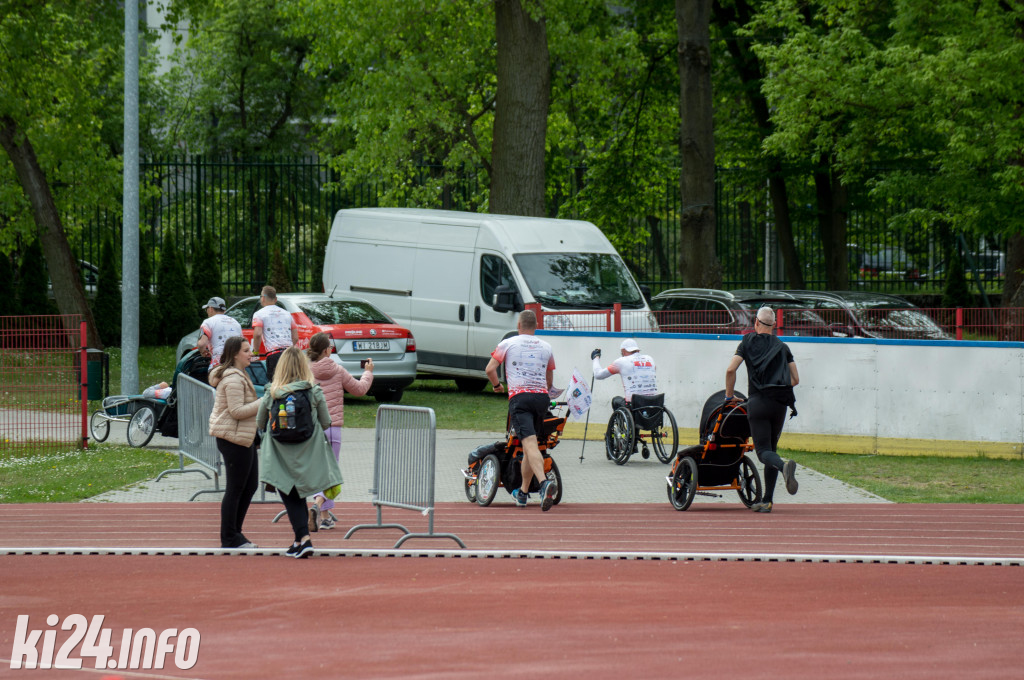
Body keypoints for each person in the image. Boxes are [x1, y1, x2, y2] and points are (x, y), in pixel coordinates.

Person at [256, 345, 341, 558]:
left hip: (280, 453)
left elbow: (260, 422)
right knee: (299, 493)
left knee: (290, 493)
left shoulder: (272, 392)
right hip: (307, 451)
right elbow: (325, 422)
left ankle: (303, 539)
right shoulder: (314, 391)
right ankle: (299, 539)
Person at [724, 306, 800, 513]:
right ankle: (767, 500)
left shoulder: (747, 342)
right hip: (779, 405)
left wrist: (729, 396)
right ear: (774, 325)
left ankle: (785, 467)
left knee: (763, 452)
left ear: (755, 322)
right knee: (771, 450)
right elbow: (795, 379)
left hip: (757, 403)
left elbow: (731, 369)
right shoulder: (782, 346)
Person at [484, 309, 558, 511]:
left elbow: (490, 369)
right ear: (535, 327)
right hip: (541, 397)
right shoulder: (546, 347)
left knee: (530, 444)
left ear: (518, 326)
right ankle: (523, 493)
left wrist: (497, 386)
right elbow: (549, 379)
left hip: (520, 397)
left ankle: (543, 484)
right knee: (528, 447)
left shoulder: (508, 343)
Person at [306, 332, 373, 532]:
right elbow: (360, 390)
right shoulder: (337, 370)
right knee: (331, 474)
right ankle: (318, 505)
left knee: (318, 472)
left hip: (312, 428)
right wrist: (368, 372)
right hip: (332, 428)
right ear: (327, 350)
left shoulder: (305, 371)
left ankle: (325, 517)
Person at [207, 336, 261, 549]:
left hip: (243, 437)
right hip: (232, 438)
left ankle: (235, 534)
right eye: (247, 351)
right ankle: (229, 537)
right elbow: (237, 412)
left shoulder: (240, 375)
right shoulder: (232, 379)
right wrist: (264, 402)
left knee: (250, 485)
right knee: (236, 488)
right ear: (236, 354)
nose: (251, 354)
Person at [251, 286, 298, 381]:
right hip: (289, 354)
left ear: (263, 298)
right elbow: (295, 337)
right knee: (291, 383)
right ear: (275, 299)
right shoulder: (287, 313)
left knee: (275, 384)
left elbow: (257, 334)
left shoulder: (259, 314)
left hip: (274, 354)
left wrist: (255, 352)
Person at [197, 297, 242, 369]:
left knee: (214, 378)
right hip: (236, 361)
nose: (206, 311)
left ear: (211, 309)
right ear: (224, 310)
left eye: (207, 309)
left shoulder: (208, 322)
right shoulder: (235, 322)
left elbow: (202, 343)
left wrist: (202, 351)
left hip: (219, 361)